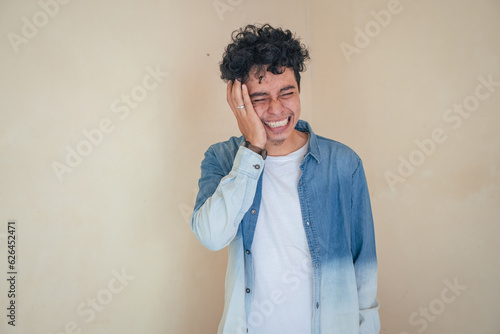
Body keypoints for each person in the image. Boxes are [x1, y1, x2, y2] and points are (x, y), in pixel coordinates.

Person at [191, 23, 380, 334]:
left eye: (286, 92)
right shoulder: (222, 159)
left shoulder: (344, 164)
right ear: (239, 102)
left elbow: (365, 268)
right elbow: (211, 236)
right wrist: (253, 149)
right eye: (259, 97)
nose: (276, 109)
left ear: (299, 91)